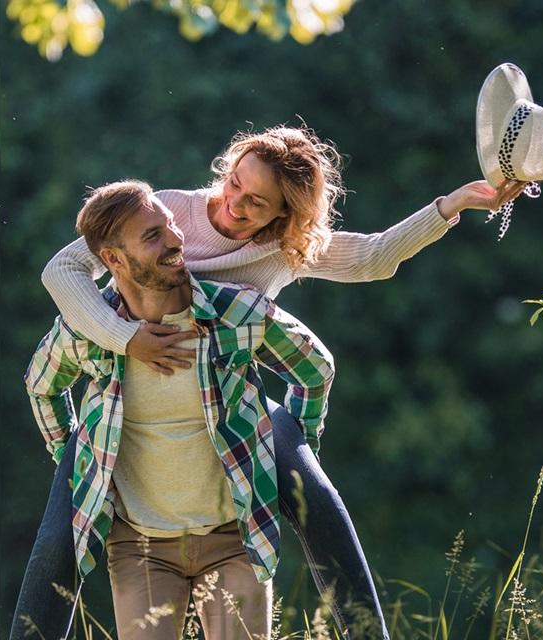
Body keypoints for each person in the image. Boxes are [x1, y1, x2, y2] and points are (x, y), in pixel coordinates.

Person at [14, 124, 522, 639]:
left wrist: (453, 204)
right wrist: (124, 338)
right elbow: (62, 271)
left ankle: (366, 632)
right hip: (127, 374)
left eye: (256, 202)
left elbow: (374, 257)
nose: (233, 204)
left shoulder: (283, 249)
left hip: (237, 396)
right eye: (234, 182)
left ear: (284, 215)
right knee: (60, 534)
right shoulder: (167, 211)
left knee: (316, 499)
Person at [23, 180, 335, 640]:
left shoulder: (237, 313)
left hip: (235, 537)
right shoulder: (85, 331)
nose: (174, 240)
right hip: (139, 545)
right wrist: (73, 457)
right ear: (113, 260)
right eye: (152, 236)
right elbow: (40, 386)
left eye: (169, 224)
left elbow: (315, 370)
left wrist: (293, 454)